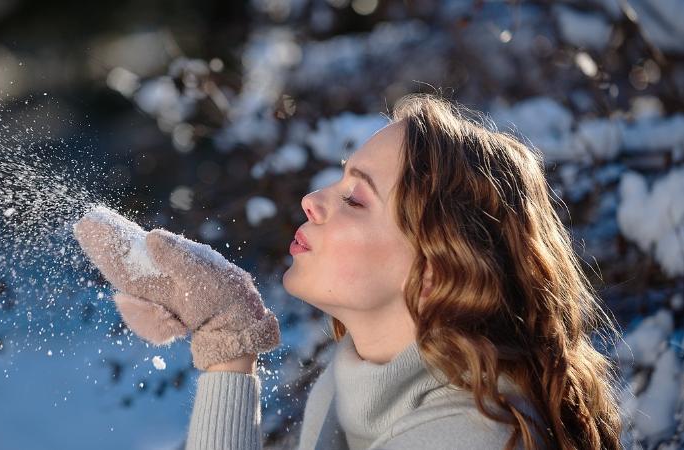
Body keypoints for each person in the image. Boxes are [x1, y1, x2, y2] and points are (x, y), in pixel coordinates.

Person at [73, 93, 625, 450]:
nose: (313, 199)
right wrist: (226, 342)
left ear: (433, 270)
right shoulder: (350, 390)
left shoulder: (469, 439)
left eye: (355, 199)